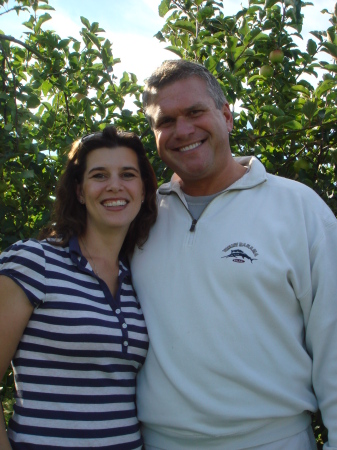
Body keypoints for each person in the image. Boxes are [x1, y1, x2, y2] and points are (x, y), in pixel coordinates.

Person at [130, 59, 337, 450]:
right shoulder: (140, 218)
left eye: (195, 112)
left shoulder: (298, 208)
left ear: (225, 116)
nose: (183, 130)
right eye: (166, 121)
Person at [0, 126, 157, 450]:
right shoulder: (34, 262)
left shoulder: (138, 277)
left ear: (143, 190)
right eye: (99, 175)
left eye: (128, 174)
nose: (115, 185)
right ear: (80, 192)